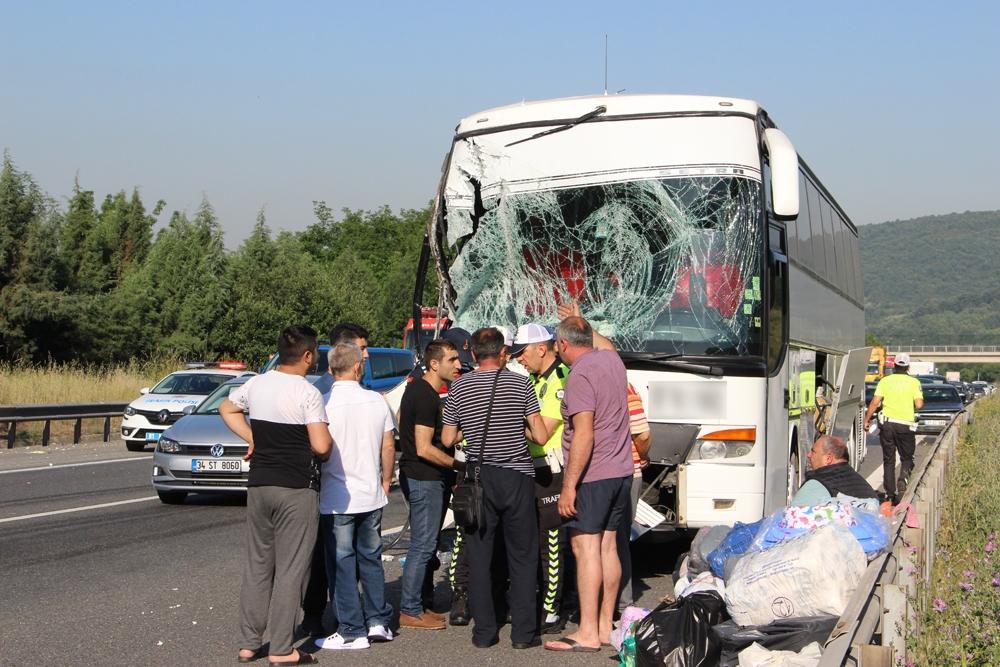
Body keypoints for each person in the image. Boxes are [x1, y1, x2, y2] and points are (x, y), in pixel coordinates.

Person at [221, 325, 332, 666]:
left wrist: (253, 437)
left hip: (260, 484)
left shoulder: (256, 382)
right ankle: (283, 648)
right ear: (308, 356)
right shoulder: (307, 392)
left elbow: (227, 409)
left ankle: (248, 643)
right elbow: (321, 446)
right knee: (291, 569)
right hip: (295, 486)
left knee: (258, 566)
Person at [441, 327, 550, 649]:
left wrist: (469, 432)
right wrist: (519, 432)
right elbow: (541, 436)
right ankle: (523, 634)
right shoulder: (520, 383)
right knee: (523, 555)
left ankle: (484, 633)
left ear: (472, 354)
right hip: (516, 477)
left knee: (479, 554)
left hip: (479, 477)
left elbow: (448, 439)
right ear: (502, 352)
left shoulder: (459, 387)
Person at [546, 316, 634, 653]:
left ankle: (585, 630)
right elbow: (606, 343)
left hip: (593, 474)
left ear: (565, 345)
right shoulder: (611, 360)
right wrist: (582, 317)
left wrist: (569, 486)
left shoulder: (579, 375)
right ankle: (601, 625)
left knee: (585, 548)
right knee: (608, 546)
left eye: (557, 345)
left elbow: (584, 433)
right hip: (622, 471)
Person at [315, 342, 396, 650]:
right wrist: (386, 481)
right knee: (371, 559)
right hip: (371, 493)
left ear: (330, 368)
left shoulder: (322, 403)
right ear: (357, 367)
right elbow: (387, 446)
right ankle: (378, 621)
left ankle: (351, 627)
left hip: (337, 496)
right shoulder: (376, 401)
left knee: (342, 562)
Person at [302, 322, 371, 636]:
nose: (367, 355)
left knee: (345, 553)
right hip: (322, 484)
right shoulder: (318, 392)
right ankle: (315, 614)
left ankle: (345, 610)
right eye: (363, 348)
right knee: (322, 555)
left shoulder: (360, 390)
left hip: (350, 486)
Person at [397, 339, 465, 631]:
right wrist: (457, 465)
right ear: (434, 364)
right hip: (424, 478)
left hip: (422, 477)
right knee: (423, 546)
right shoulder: (425, 395)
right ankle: (410, 610)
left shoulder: (420, 391)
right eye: (452, 359)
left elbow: (404, 421)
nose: (458, 364)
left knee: (426, 544)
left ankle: (418, 604)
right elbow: (424, 448)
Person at [509, 323, 570, 634]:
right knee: (530, 538)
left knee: (551, 543)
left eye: (523, 352)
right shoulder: (534, 379)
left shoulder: (559, 380)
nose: (519, 358)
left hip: (551, 469)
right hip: (531, 467)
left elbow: (542, 431)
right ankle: (538, 599)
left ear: (542, 349)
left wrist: (507, 423)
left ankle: (551, 609)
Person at [864, 352, 924, 504]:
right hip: (906, 425)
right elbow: (919, 404)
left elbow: (875, 402)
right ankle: (903, 477)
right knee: (907, 457)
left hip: (888, 425)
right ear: (908, 367)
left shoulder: (885, 381)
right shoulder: (914, 382)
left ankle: (890, 494)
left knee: (888, 460)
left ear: (894, 365)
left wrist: (867, 419)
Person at [617, 383, 652, 611]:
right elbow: (643, 436)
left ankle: (621, 602)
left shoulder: (624, 389)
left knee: (612, 540)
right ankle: (622, 603)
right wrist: (643, 456)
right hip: (629, 469)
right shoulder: (625, 387)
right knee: (618, 540)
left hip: (621, 471)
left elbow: (641, 434)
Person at [792, 435, 878, 505]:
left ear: (828, 459)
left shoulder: (815, 485)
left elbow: (793, 517)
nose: (808, 455)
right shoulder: (861, 483)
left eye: (813, 451)